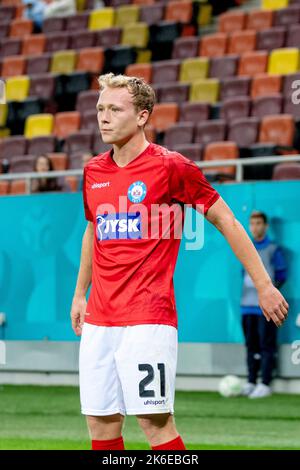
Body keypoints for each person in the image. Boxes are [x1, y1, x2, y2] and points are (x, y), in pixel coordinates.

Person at [70, 73, 289, 451]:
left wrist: (265, 284)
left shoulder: (172, 167)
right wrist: (79, 294)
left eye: (115, 109)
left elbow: (226, 220)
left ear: (142, 116)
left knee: (155, 423)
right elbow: (94, 231)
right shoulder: (94, 171)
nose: (104, 117)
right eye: (100, 109)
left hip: (148, 319)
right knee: (101, 424)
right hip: (99, 321)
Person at [241, 211, 288, 399]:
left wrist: (269, 295)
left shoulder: (274, 249)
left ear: (266, 226)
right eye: (252, 223)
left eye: (259, 223)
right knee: (250, 345)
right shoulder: (246, 248)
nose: (255, 227)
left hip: (266, 307)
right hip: (246, 305)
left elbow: (282, 275)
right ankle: (251, 381)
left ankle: (265, 383)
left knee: (266, 345)